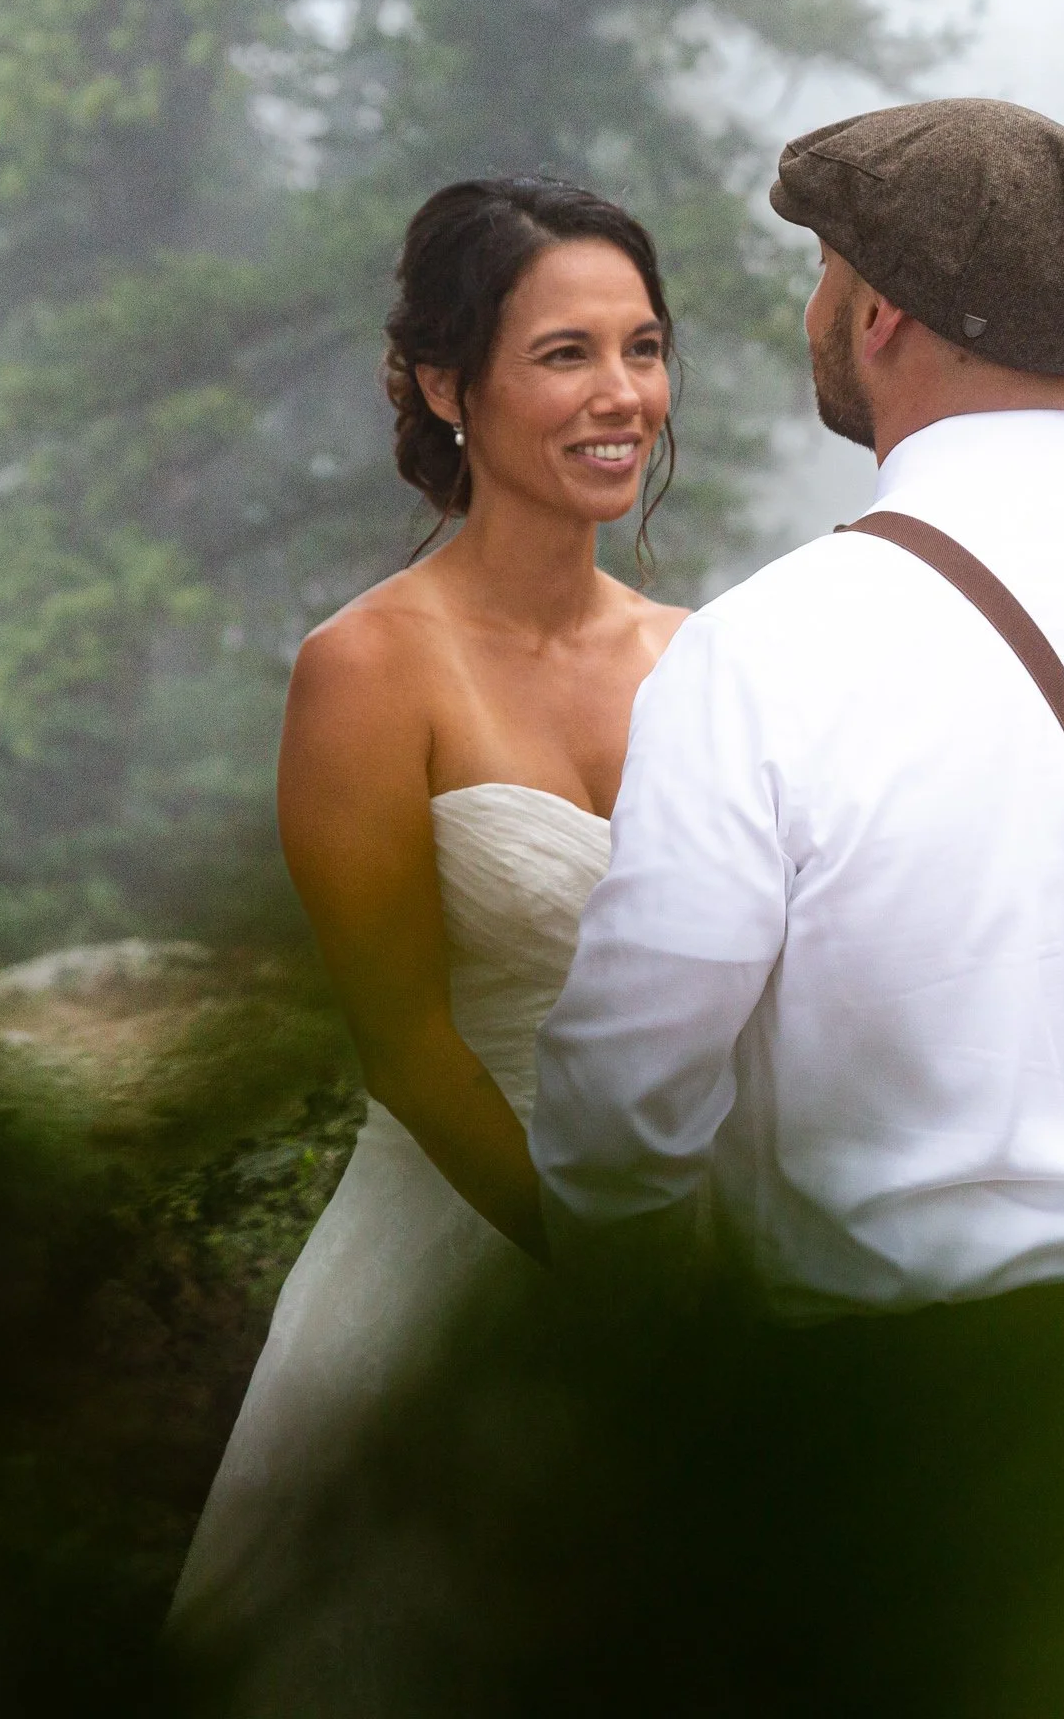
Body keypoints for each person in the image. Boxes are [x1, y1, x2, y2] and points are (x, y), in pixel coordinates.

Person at [530, 98, 1064, 1718]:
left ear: (882, 313)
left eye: (825, 274)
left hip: (892, 1407)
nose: (815, 309)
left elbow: (621, 1113)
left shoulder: (768, 650)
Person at [166, 176, 686, 1703]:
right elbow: (403, 1042)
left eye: (643, 348)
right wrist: (600, 1278)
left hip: (696, 1260)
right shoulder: (364, 672)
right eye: (565, 355)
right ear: (447, 385)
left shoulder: (705, 659)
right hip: (452, 1264)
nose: (621, 397)